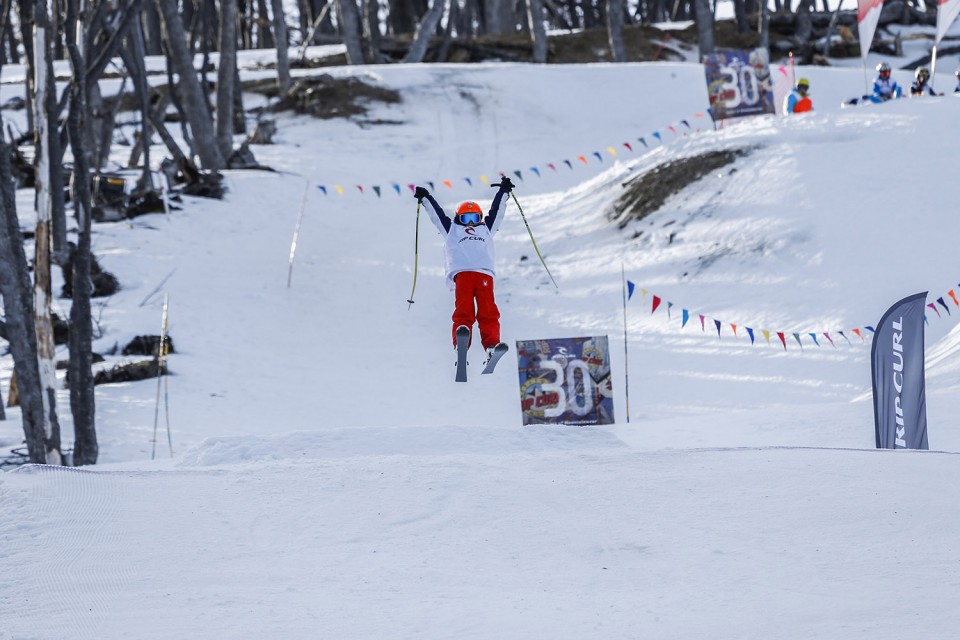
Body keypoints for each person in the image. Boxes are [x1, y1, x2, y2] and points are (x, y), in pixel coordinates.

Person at [414, 178, 513, 363]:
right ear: (458, 218)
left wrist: (504, 192)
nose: (470, 223)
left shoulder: (486, 228)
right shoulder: (452, 229)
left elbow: (497, 212)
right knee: (463, 309)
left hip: (484, 274)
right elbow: (437, 215)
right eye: (466, 218)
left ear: (480, 218)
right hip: (464, 275)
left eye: (474, 218)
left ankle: (491, 345)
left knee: (488, 311)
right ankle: (462, 337)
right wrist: (426, 197)